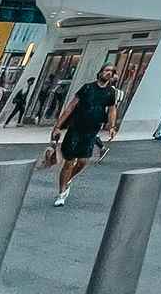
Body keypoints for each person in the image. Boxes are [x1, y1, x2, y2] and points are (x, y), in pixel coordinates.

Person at [50, 63, 118, 207]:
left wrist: (112, 126)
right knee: (69, 162)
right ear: (100, 72)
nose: (108, 73)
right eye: (106, 70)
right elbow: (70, 107)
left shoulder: (111, 92)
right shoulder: (87, 87)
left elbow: (112, 110)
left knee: (83, 162)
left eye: (111, 72)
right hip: (76, 128)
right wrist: (58, 126)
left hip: (92, 131)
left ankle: (69, 179)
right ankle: (61, 193)